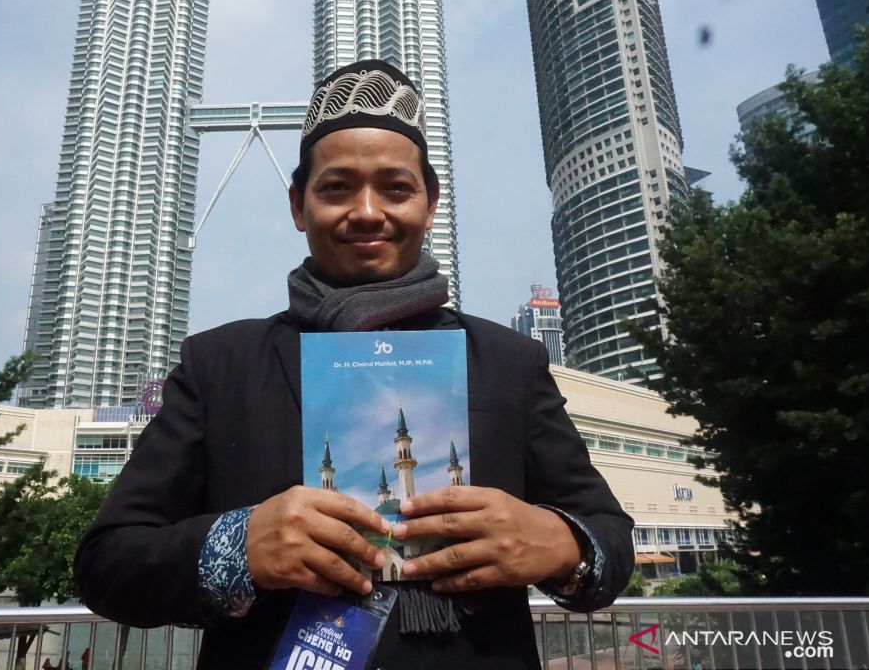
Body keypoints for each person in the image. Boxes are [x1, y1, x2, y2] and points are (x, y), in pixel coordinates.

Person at [75, 59, 634, 668]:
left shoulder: (507, 361)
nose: (368, 211)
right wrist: (237, 548)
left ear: (430, 202)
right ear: (298, 204)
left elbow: (609, 537)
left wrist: (559, 544)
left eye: (395, 188)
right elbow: (108, 565)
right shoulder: (221, 365)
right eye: (337, 187)